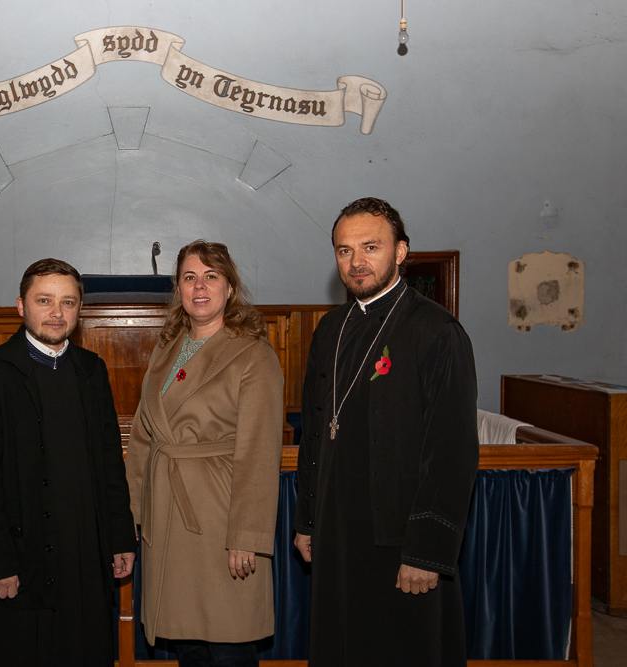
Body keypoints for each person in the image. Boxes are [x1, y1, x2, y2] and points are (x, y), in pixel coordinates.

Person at [293, 197, 479, 666]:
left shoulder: (437, 331)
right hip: (337, 536)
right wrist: (308, 521)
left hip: (400, 542)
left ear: (400, 252)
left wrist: (427, 553)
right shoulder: (329, 330)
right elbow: (315, 431)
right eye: (343, 250)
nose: (356, 262)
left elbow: (452, 451)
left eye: (370, 246)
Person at [0, 258, 137, 666]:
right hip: (21, 559)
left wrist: (120, 536)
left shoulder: (92, 370)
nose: (57, 313)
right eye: (44, 300)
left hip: (85, 558)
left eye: (68, 303)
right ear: (21, 306)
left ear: (79, 310)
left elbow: (110, 462)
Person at [125, 240, 285, 667]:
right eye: (189, 277)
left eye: (211, 276)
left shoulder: (254, 354)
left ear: (230, 287)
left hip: (220, 519)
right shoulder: (167, 346)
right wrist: (130, 516)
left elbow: (260, 455)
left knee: (228, 643)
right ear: (177, 288)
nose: (200, 287)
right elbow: (144, 435)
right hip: (169, 517)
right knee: (189, 647)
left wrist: (246, 537)